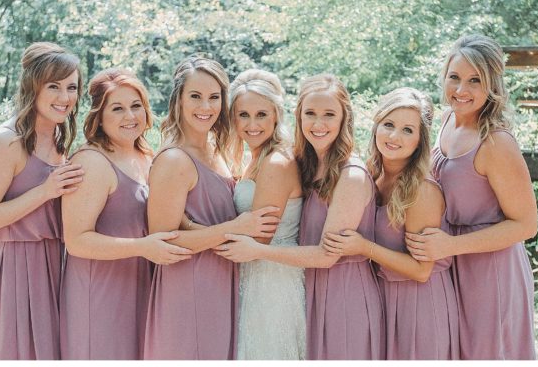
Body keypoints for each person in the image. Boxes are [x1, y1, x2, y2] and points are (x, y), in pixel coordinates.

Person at [217, 74, 385, 360]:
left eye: (329, 115)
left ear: (345, 118)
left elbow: (326, 255)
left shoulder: (350, 175)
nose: (318, 124)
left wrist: (191, 229)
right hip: (310, 283)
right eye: (310, 114)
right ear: (299, 116)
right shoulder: (309, 164)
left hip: (344, 290)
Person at [405, 34, 538, 359]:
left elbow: (526, 225)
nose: (461, 90)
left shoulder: (495, 142)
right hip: (450, 267)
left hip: (490, 273)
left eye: (474, 80)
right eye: (455, 77)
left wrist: (451, 245)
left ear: (491, 84)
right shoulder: (447, 119)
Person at [143, 56, 279, 360]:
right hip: (189, 287)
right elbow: (162, 242)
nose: (205, 107)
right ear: (178, 99)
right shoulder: (174, 160)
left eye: (214, 97)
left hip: (220, 281)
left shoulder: (217, 152)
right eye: (195, 96)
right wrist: (235, 228)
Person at [60, 68, 191, 359]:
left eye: (136, 106)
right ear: (99, 115)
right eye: (117, 108)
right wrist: (143, 247)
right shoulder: (91, 162)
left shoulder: (147, 156)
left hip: (141, 287)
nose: (130, 116)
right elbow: (76, 240)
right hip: (101, 293)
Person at [323, 88, 460, 360]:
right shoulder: (372, 175)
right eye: (388, 125)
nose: (394, 136)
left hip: (420, 306)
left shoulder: (421, 191)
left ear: (421, 139)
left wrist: (363, 247)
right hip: (382, 299)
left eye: (408, 130)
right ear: (376, 126)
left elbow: (422, 270)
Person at [0, 42, 83, 359]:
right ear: (33, 87)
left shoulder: (62, 139)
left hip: (59, 263)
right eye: (54, 86)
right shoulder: (5, 142)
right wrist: (44, 191)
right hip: (17, 268)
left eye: (71, 87)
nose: (65, 97)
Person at [228, 69, 306, 359]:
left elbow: (258, 236)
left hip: (271, 281)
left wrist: (186, 226)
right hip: (254, 274)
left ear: (276, 114)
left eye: (261, 114)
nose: (252, 124)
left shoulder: (276, 162)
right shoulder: (255, 157)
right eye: (243, 115)